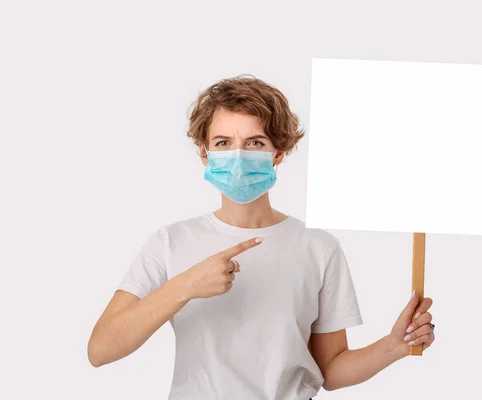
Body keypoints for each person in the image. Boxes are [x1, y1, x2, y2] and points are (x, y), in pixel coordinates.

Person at [87, 75, 436, 399]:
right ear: (204, 153)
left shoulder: (318, 247)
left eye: (255, 142)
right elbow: (100, 349)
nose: (238, 156)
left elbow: (329, 369)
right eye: (223, 142)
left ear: (278, 153)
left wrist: (394, 346)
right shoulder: (170, 242)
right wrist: (184, 286)